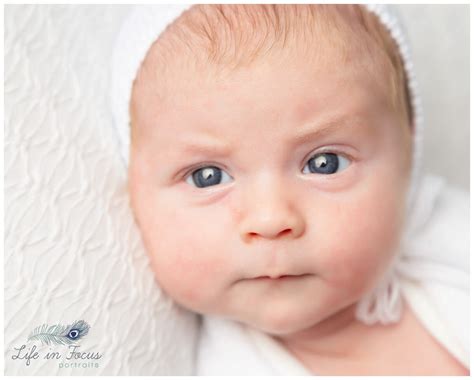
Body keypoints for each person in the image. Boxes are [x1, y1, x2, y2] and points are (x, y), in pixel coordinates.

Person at [111, 4, 469, 375]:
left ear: (408, 156)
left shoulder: (456, 243)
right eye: (208, 176)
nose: (271, 220)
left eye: (324, 163)